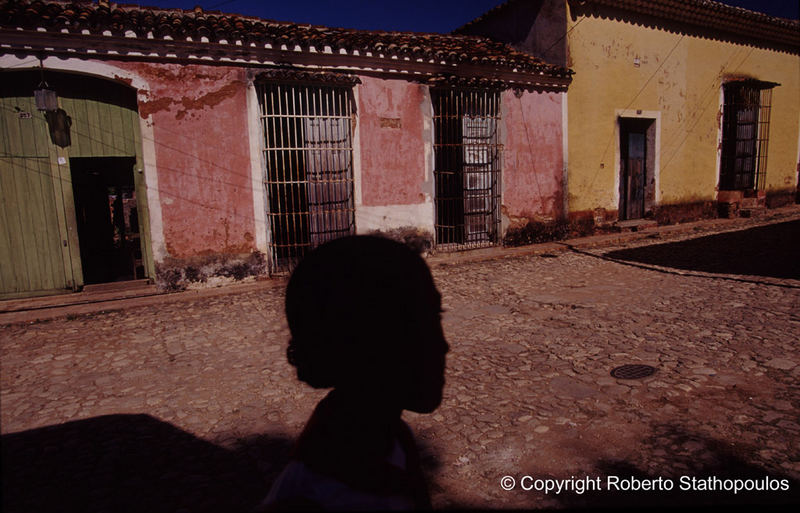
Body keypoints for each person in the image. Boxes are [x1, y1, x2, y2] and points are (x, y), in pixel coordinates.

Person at [259, 235, 449, 511]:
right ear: (365, 344)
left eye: (437, 317)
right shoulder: (332, 496)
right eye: (420, 326)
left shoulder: (388, 436)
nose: (444, 345)